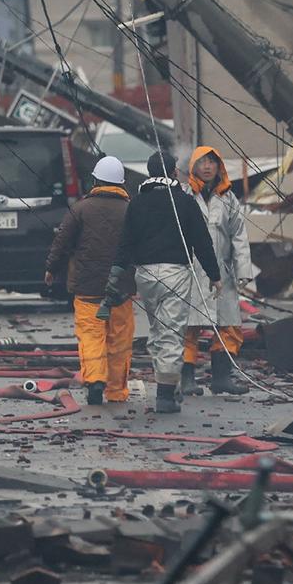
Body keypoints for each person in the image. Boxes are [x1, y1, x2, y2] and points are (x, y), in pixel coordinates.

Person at [109, 152, 221, 413]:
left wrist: (115, 274)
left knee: (158, 330)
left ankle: (167, 384)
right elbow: (202, 242)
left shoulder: (136, 204)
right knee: (171, 333)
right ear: (173, 172)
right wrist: (214, 275)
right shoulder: (184, 202)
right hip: (175, 274)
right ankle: (166, 395)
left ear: (149, 173)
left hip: (145, 276)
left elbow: (125, 243)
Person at [45, 155, 136, 405]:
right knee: (119, 339)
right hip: (121, 291)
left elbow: (61, 242)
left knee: (91, 335)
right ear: (121, 183)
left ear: (95, 180)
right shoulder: (131, 210)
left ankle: (95, 380)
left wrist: (51, 269)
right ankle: (116, 391)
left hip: (87, 289)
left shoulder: (81, 209)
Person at [181, 146, 255, 396]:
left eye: (212, 162)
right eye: (202, 162)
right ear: (193, 166)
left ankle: (221, 378)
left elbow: (239, 236)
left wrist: (243, 270)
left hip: (222, 273)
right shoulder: (184, 195)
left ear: (219, 166)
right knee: (188, 326)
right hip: (190, 270)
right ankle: (187, 378)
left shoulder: (229, 198)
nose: (207, 166)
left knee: (229, 325)